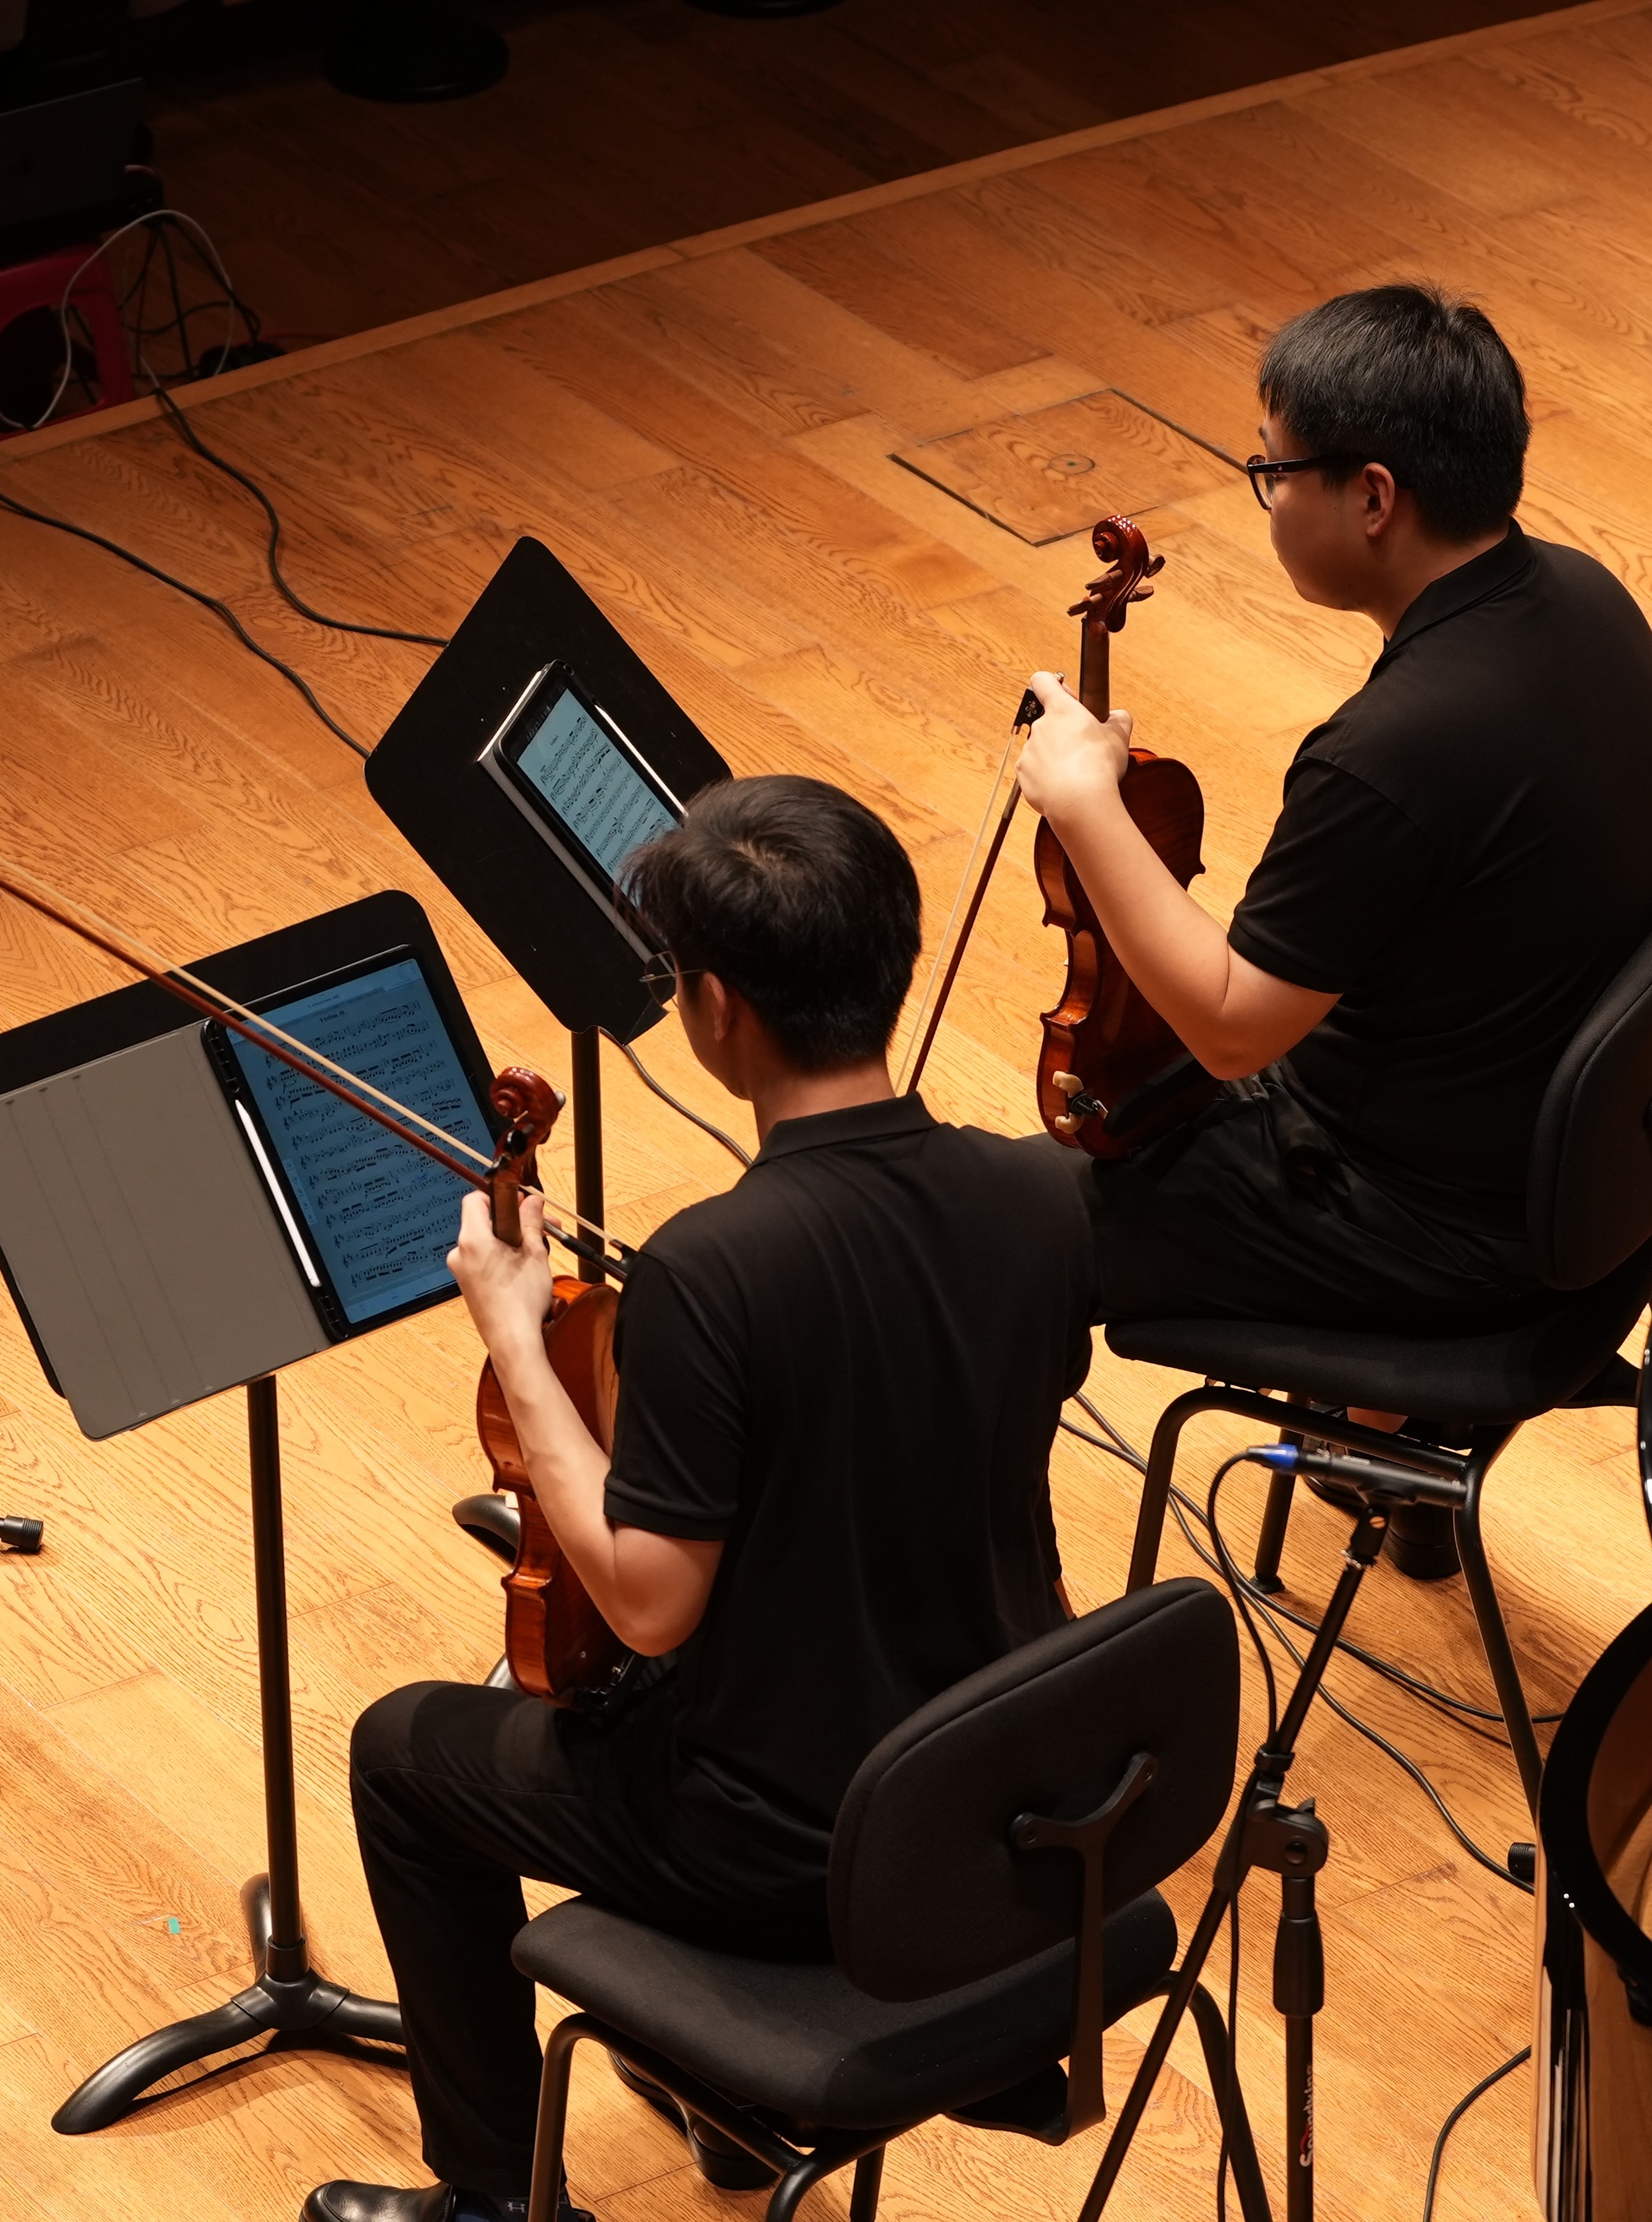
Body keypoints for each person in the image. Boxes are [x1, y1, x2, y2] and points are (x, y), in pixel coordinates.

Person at [306, 775, 1099, 2222]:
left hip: (800, 1858)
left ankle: (494, 2202)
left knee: (406, 1753)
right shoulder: (1043, 1196)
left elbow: (651, 1604)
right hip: (991, 1801)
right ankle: (715, 2103)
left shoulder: (714, 1267)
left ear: (718, 1007)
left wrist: (516, 1335)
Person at [1013, 281, 1652, 1351]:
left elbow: (1232, 1027)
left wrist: (1085, 799)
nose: (1269, 500)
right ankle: (1371, 1445)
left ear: (1374, 497)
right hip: (1575, 1179)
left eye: (1273, 472)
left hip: (1427, 1233)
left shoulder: (1390, 751)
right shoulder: (1589, 595)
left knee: (978, 1223)